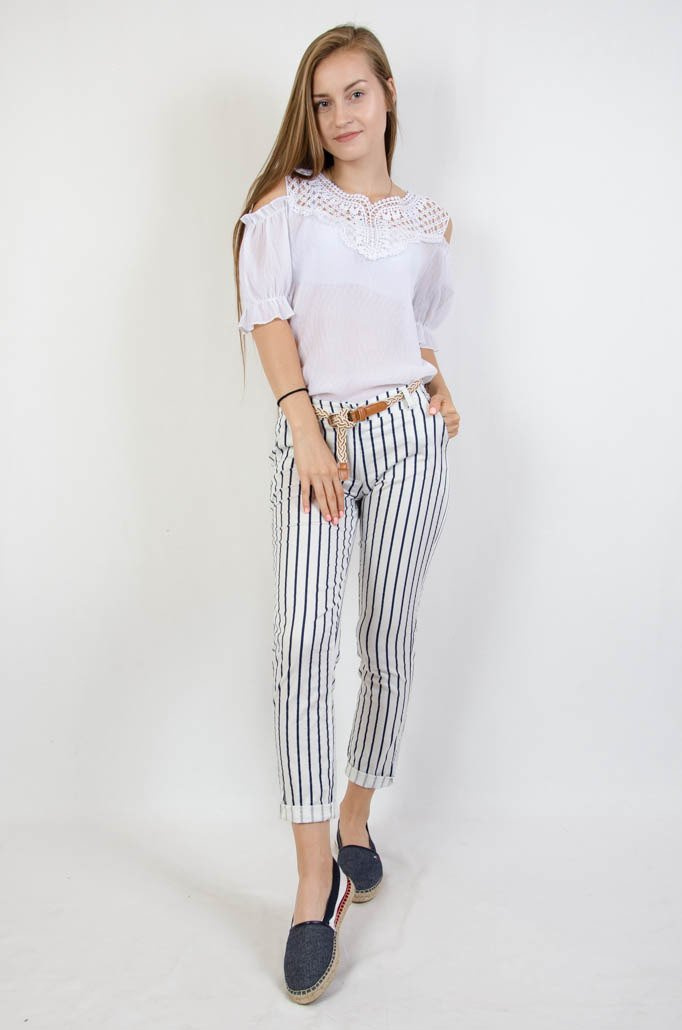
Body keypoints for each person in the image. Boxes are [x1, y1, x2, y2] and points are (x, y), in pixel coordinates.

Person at [233, 23, 460, 1004]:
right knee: (302, 646)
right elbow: (270, 316)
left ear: (388, 94)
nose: (339, 116)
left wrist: (437, 386)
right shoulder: (287, 205)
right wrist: (308, 432)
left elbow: (414, 328)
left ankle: (358, 816)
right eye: (322, 102)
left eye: (355, 94)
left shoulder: (428, 223)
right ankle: (313, 876)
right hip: (314, 443)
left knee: (388, 635)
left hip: (409, 438)